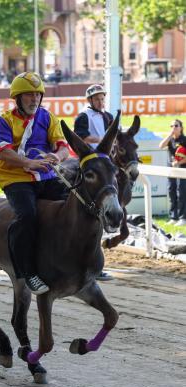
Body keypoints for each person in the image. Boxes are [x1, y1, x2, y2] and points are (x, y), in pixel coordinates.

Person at [0, 71, 69, 295]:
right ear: (17, 98)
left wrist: (58, 157)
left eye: (37, 95)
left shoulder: (47, 117)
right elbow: (3, 152)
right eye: (28, 95)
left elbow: (63, 146)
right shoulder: (4, 120)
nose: (34, 99)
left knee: (77, 205)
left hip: (46, 176)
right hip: (16, 178)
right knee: (27, 215)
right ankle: (28, 272)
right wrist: (28, 163)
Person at [74, 84, 114, 281]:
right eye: (97, 99)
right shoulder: (83, 117)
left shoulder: (108, 116)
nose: (100, 102)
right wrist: (102, 140)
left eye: (102, 98)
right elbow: (81, 138)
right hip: (88, 163)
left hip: (105, 162)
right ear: (90, 101)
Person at [159, 119, 186, 226]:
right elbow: (160, 146)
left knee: (182, 193)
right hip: (171, 170)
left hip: (182, 170)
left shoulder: (184, 140)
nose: (173, 128)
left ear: (181, 128)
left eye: (176, 125)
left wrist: (180, 162)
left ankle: (183, 217)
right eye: (171, 126)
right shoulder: (170, 140)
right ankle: (173, 216)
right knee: (172, 191)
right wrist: (170, 135)